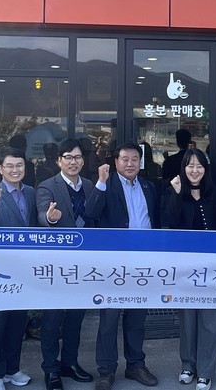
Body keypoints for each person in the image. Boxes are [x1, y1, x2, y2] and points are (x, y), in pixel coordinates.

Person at [85, 141, 161, 390]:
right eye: (125, 159)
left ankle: (135, 365)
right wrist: (101, 182)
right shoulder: (106, 184)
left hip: (143, 262)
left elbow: (156, 221)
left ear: (140, 162)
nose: (130, 164)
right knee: (109, 318)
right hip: (114, 263)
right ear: (115, 161)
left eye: (134, 159)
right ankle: (106, 370)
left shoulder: (149, 186)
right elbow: (91, 212)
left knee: (137, 317)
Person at [36, 139, 96, 390]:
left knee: (75, 317)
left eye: (78, 157)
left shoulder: (91, 186)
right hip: (57, 264)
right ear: (59, 160)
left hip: (83, 264)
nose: (73, 162)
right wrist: (50, 218)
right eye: (68, 157)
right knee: (52, 319)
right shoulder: (47, 186)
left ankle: (69, 363)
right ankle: (51, 369)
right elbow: (42, 214)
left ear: (83, 160)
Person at [166, 148, 216, 390]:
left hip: (212, 267)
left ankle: (206, 371)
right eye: (190, 165)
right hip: (185, 268)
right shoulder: (175, 192)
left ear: (205, 169)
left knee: (210, 320)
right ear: (183, 168)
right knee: (188, 319)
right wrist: (176, 194)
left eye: (199, 166)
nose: (194, 170)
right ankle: (188, 365)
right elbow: (170, 223)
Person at [0, 147, 37, 390]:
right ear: (1, 169)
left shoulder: (31, 192)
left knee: (17, 321)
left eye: (19, 165)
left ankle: (12, 369)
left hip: (23, 268)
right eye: (9, 166)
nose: (15, 170)